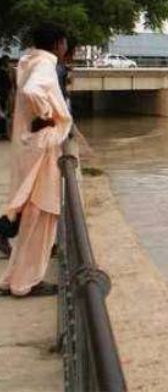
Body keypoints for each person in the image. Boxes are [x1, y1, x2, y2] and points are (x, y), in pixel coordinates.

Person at [0, 24, 73, 297]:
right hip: (42, 147)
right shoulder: (44, 64)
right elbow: (33, 91)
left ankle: (14, 279)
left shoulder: (29, 61)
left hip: (29, 146)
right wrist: (45, 116)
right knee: (41, 216)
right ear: (58, 44)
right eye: (64, 42)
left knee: (30, 213)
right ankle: (26, 282)